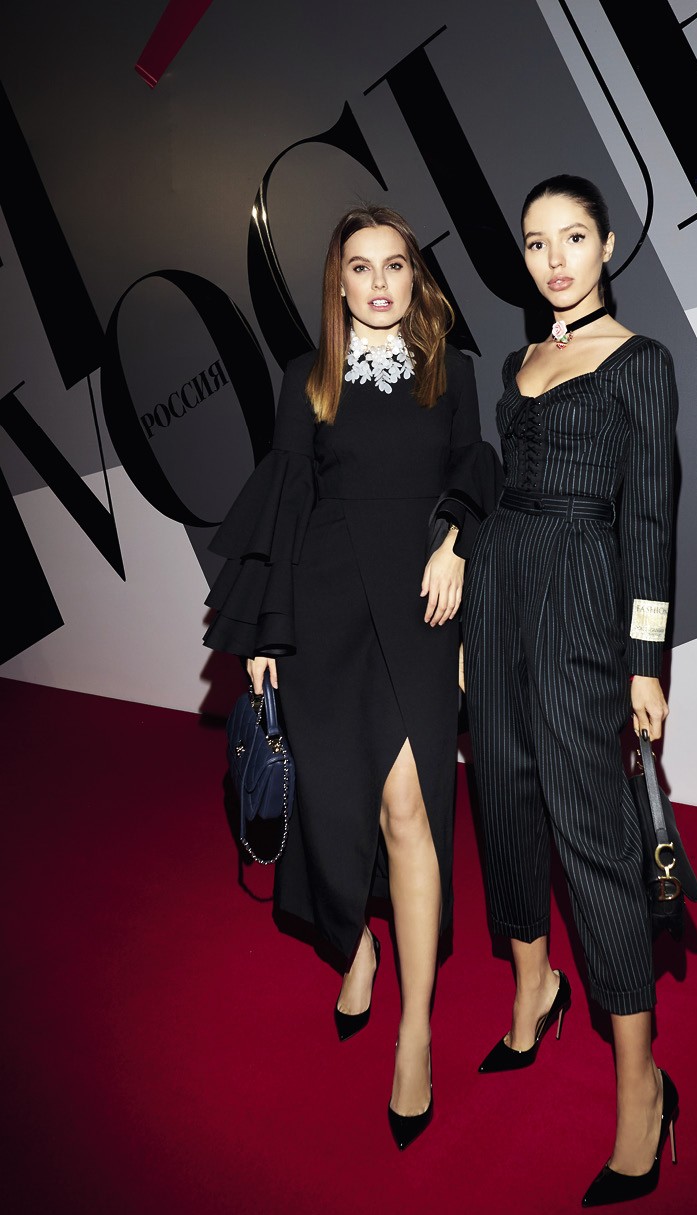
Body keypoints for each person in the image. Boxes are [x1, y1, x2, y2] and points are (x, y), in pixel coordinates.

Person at [203, 204, 500, 1151]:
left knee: (411, 812)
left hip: (420, 610)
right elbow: (286, 504)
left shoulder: (453, 372)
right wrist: (264, 632)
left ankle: (415, 1032)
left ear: (416, 276)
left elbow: (475, 466)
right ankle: (356, 944)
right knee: (332, 812)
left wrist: (454, 541)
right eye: (360, 267)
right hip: (325, 615)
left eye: (395, 265)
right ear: (337, 281)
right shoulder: (308, 377)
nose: (378, 283)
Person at [462, 175, 679, 1206]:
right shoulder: (517, 363)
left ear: (607, 246)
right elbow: (497, 491)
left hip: (583, 598)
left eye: (573, 238)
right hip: (500, 589)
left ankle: (641, 1085)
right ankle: (533, 989)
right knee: (500, 795)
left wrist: (645, 660)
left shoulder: (642, 362)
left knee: (591, 834)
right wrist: (467, 581)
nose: (554, 259)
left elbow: (651, 517)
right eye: (537, 242)